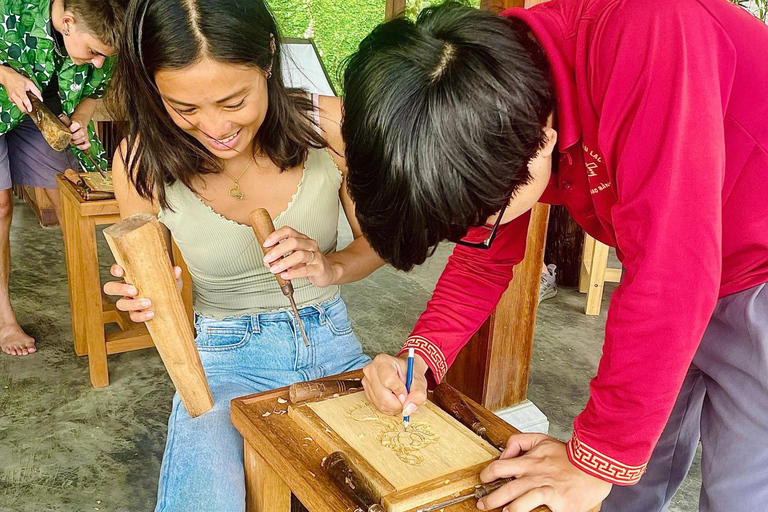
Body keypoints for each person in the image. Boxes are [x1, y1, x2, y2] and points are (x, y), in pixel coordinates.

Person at [341, 2, 768, 511]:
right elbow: (486, 252)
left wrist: (594, 459)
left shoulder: (651, 32)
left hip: (754, 269)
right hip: (679, 265)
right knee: (622, 485)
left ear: (542, 142)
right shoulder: (493, 92)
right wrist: (420, 358)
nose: (480, 230)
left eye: (483, 215)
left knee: (740, 496)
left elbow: (673, 277)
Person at [102, 0, 383, 510]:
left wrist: (330, 265)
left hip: (334, 346)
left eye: (233, 102)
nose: (215, 129)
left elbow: (379, 245)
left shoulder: (329, 124)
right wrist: (147, 299)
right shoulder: (141, 161)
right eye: (185, 108)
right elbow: (155, 289)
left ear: (268, 59)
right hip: (224, 361)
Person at [0, 0, 126, 356]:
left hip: (40, 115)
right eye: (93, 53)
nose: (99, 61)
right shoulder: (11, 6)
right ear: (66, 22)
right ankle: (3, 318)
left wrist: (82, 119)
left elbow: (93, 92)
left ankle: (89, 305)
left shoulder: (103, 26)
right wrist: (4, 73)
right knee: (1, 205)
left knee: (70, 193)